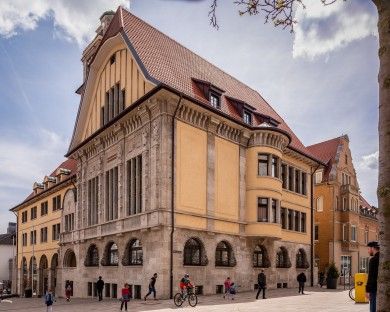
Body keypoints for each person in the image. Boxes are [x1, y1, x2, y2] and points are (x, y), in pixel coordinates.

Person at [366, 241, 380, 312]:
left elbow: (371, 276)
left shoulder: (373, 260)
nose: (368, 251)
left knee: (373, 308)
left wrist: (367, 290)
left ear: (373, 248)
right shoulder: (384, 258)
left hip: (374, 288)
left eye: (368, 249)